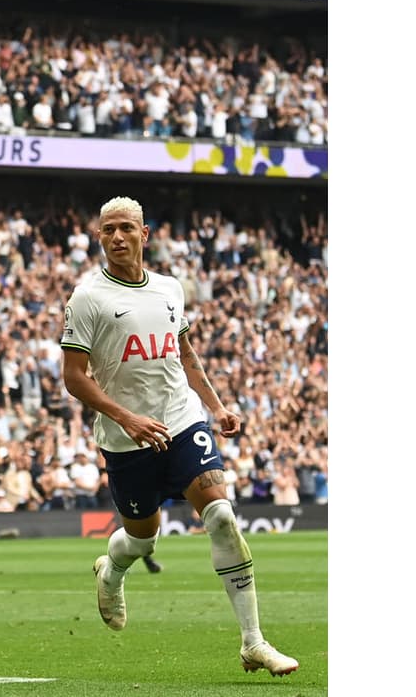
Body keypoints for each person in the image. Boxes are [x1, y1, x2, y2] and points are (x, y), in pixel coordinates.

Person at [60, 196, 298, 677]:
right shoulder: (88, 298)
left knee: (222, 515)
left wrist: (216, 405)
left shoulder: (170, 289)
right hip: (127, 438)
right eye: (108, 230)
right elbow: (74, 376)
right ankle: (113, 570)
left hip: (182, 418)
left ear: (145, 235)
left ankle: (253, 641)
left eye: (127, 228)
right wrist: (126, 417)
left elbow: (184, 353)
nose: (117, 237)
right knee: (141, 539)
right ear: (99, 236)